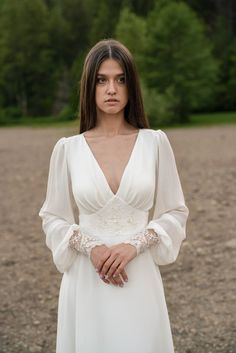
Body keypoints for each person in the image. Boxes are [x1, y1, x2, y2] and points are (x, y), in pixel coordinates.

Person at [39, 38, 189, 353]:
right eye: (101, 80)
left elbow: (174, 212)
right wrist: (91, 247)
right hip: (87, 281)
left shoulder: (155, 143)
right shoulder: (68, 149)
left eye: (120, 80)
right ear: (89, 87)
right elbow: (53, 218)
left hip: (140, 278)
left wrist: (135, 245)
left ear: (131, 86)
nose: (111, 89)